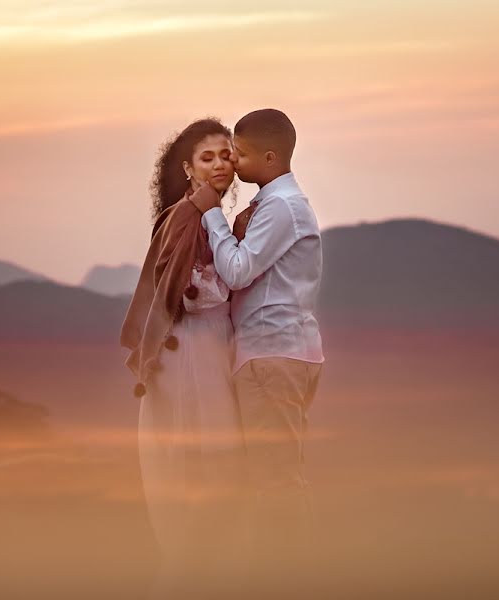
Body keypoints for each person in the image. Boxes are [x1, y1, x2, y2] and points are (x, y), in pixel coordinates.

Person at [187, 108, 324, 575]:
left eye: (241, 155)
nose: (234, 164)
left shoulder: (283, 206)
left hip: (271, 354)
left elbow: (239, 270)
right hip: (281, 352)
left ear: (269, 157)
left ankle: (287, 576)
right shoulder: (273, 204)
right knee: (280, 475)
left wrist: (211, 216)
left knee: (276, 480)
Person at [120, 117, 250, 598]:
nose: (220, 164)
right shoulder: (188, 216)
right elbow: (192, 294)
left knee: (217, 469)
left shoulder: (207, 212)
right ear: (188, 167)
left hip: (211, 345)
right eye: (208, 157)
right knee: (213, 466)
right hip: (194, 350)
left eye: (226, 154)